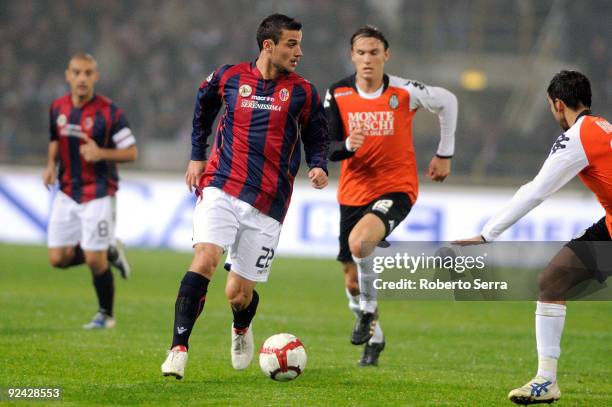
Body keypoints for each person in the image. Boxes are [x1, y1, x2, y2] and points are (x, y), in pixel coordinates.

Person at [161, 14, 329, 380]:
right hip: (222, 184)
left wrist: (318, 165)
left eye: (299, 43)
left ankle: (240, 328)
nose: (299, 51)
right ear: (268, 45)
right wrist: (196, 154)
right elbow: (202, 108)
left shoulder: (303, 91)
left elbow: (317, 133)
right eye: (291, 43)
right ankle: (178, 348)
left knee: (237, 293)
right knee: (205, 259)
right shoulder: (229, 77)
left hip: (269, 201)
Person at [456, 70, 611, 405]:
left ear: (557, 104)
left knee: (552, 280)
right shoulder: (601, 126)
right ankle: (546, 380)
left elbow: (536, 191)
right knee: (553, 279)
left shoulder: (578, 136)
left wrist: (487, 234)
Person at [324, 26, 457, 366]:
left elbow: (448, 101)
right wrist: (346, 147)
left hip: (396, 188)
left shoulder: (404, 91)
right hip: (353, 192)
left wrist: (445, 153)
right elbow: (326, 146)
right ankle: (376, 336)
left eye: (374, 52)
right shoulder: (337, 93)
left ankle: (368, 313)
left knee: (360, 243)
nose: (367, 59)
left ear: (386, 55)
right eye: (361, 53)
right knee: (352, 280)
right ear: (352, 56)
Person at [43, 53, 137, 329]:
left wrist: (101, 153)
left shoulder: (110, 112)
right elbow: (54, 140)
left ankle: (106, 315)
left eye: (87, 73)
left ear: (96, 76)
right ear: (68, 75)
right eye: (77, 72)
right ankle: (109, 249)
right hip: (67, 191)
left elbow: (131, 152)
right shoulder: (57, 108)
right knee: (57, 259)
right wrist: (50, 165)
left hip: (98, 192)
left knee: (94, 260)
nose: (82, 78)